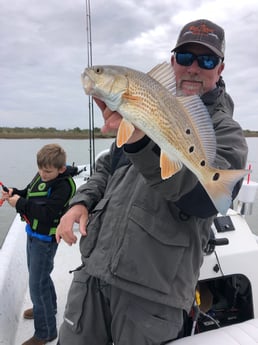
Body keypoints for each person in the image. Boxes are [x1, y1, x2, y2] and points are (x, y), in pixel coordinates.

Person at [55, 19, 248, 345]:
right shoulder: (142, 107)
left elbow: (200, 198)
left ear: (221, 68)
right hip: (93, 272)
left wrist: (140, 142)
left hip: (154, 295)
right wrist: (81, 202)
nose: (194, 68)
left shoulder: (227, 133)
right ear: (173, 61)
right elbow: (107, 167)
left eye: (207, 60)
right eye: (186, 58)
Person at [2, 144, 77, 345]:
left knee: (37, 283)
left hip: (46, 241)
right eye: (40, 169)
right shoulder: (42, 175)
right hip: (32, 234)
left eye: (47, 171)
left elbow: (47, 214)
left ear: (61, 169)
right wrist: (14, 192)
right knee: (40, 277)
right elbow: (28, 193)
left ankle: (45, 332)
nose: (42, 174)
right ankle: (48, 307)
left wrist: (18, 204)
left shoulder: (64, 186)